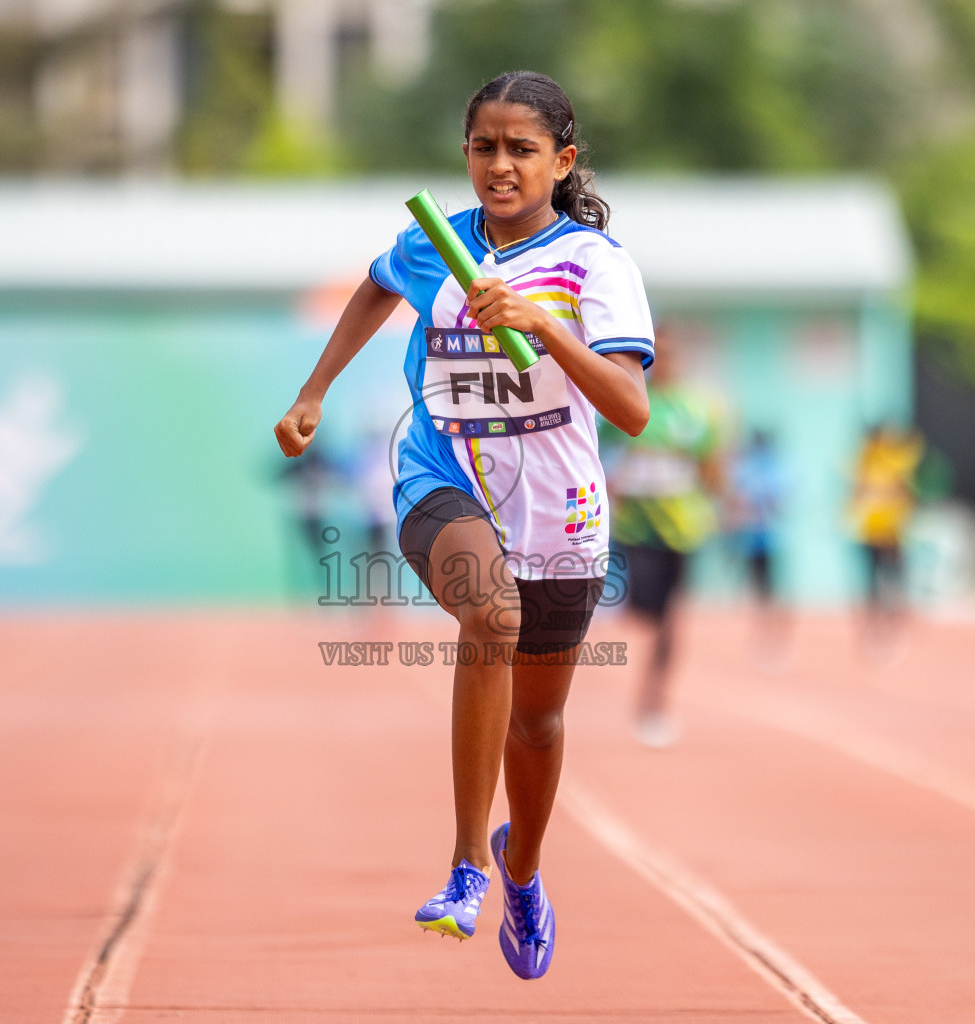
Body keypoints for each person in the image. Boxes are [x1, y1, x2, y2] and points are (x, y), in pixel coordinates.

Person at [273, 71, 651, 979]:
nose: (499, 165)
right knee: (491, 615)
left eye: (522, 150)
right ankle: (467, 867)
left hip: (558, 511)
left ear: (560, 162)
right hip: (440, 475)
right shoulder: (434, 243)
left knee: (540, 725)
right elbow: (375, 287)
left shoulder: (595, 266)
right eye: (484, 147)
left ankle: (522, 869)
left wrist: (544, 327)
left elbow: (632, 409)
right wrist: (314, 391)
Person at [601, 328, 726, 747]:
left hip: (682, 528)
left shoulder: (698, 409)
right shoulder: (629, 400)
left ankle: (653, 701)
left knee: (670, 618)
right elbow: (597, 449)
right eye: (660, 355)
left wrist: (712, 499)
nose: (666, 363)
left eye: (673, 355)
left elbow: (713, 462)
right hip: (636, 526)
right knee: (642, 610)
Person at [849, 424, 923, 661]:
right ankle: (881, 624)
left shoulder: (869, 462)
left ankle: (884, 624)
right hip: (879, 529)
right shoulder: (871, 462)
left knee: (883, 578)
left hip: (884, 529)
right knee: (884, 578)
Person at [730, 429, 791, 670]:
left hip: (763, 540)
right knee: (768, 593)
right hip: (763, 541)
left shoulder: (749, 469)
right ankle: (769, 639)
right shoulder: (767, 468)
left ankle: (769, 639)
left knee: (764, 592)